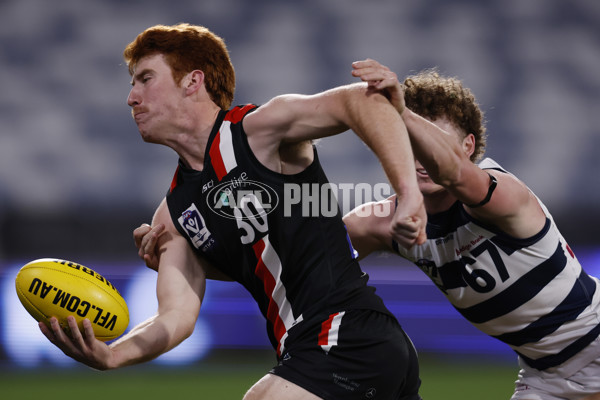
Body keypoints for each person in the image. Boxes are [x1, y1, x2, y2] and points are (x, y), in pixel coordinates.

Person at [38, 24, 427, 400]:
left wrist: (408, 194)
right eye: (132, 84)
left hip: (346, 333)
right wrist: (112, 355)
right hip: (323, 348)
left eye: (145, 79)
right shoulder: (173, 216)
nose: (131, 97)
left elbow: (361, 100)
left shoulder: (259, 132)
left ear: (193, 81)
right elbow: (175, 317)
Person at [344, 59, 600, 400]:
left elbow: (453, 174)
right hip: (545, 375)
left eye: (426, 142)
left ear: (467, 146)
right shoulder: (384, 221)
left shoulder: (502, 193)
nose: (419, 158)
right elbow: (305, 252)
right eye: (404, 142)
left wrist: (400, 112)